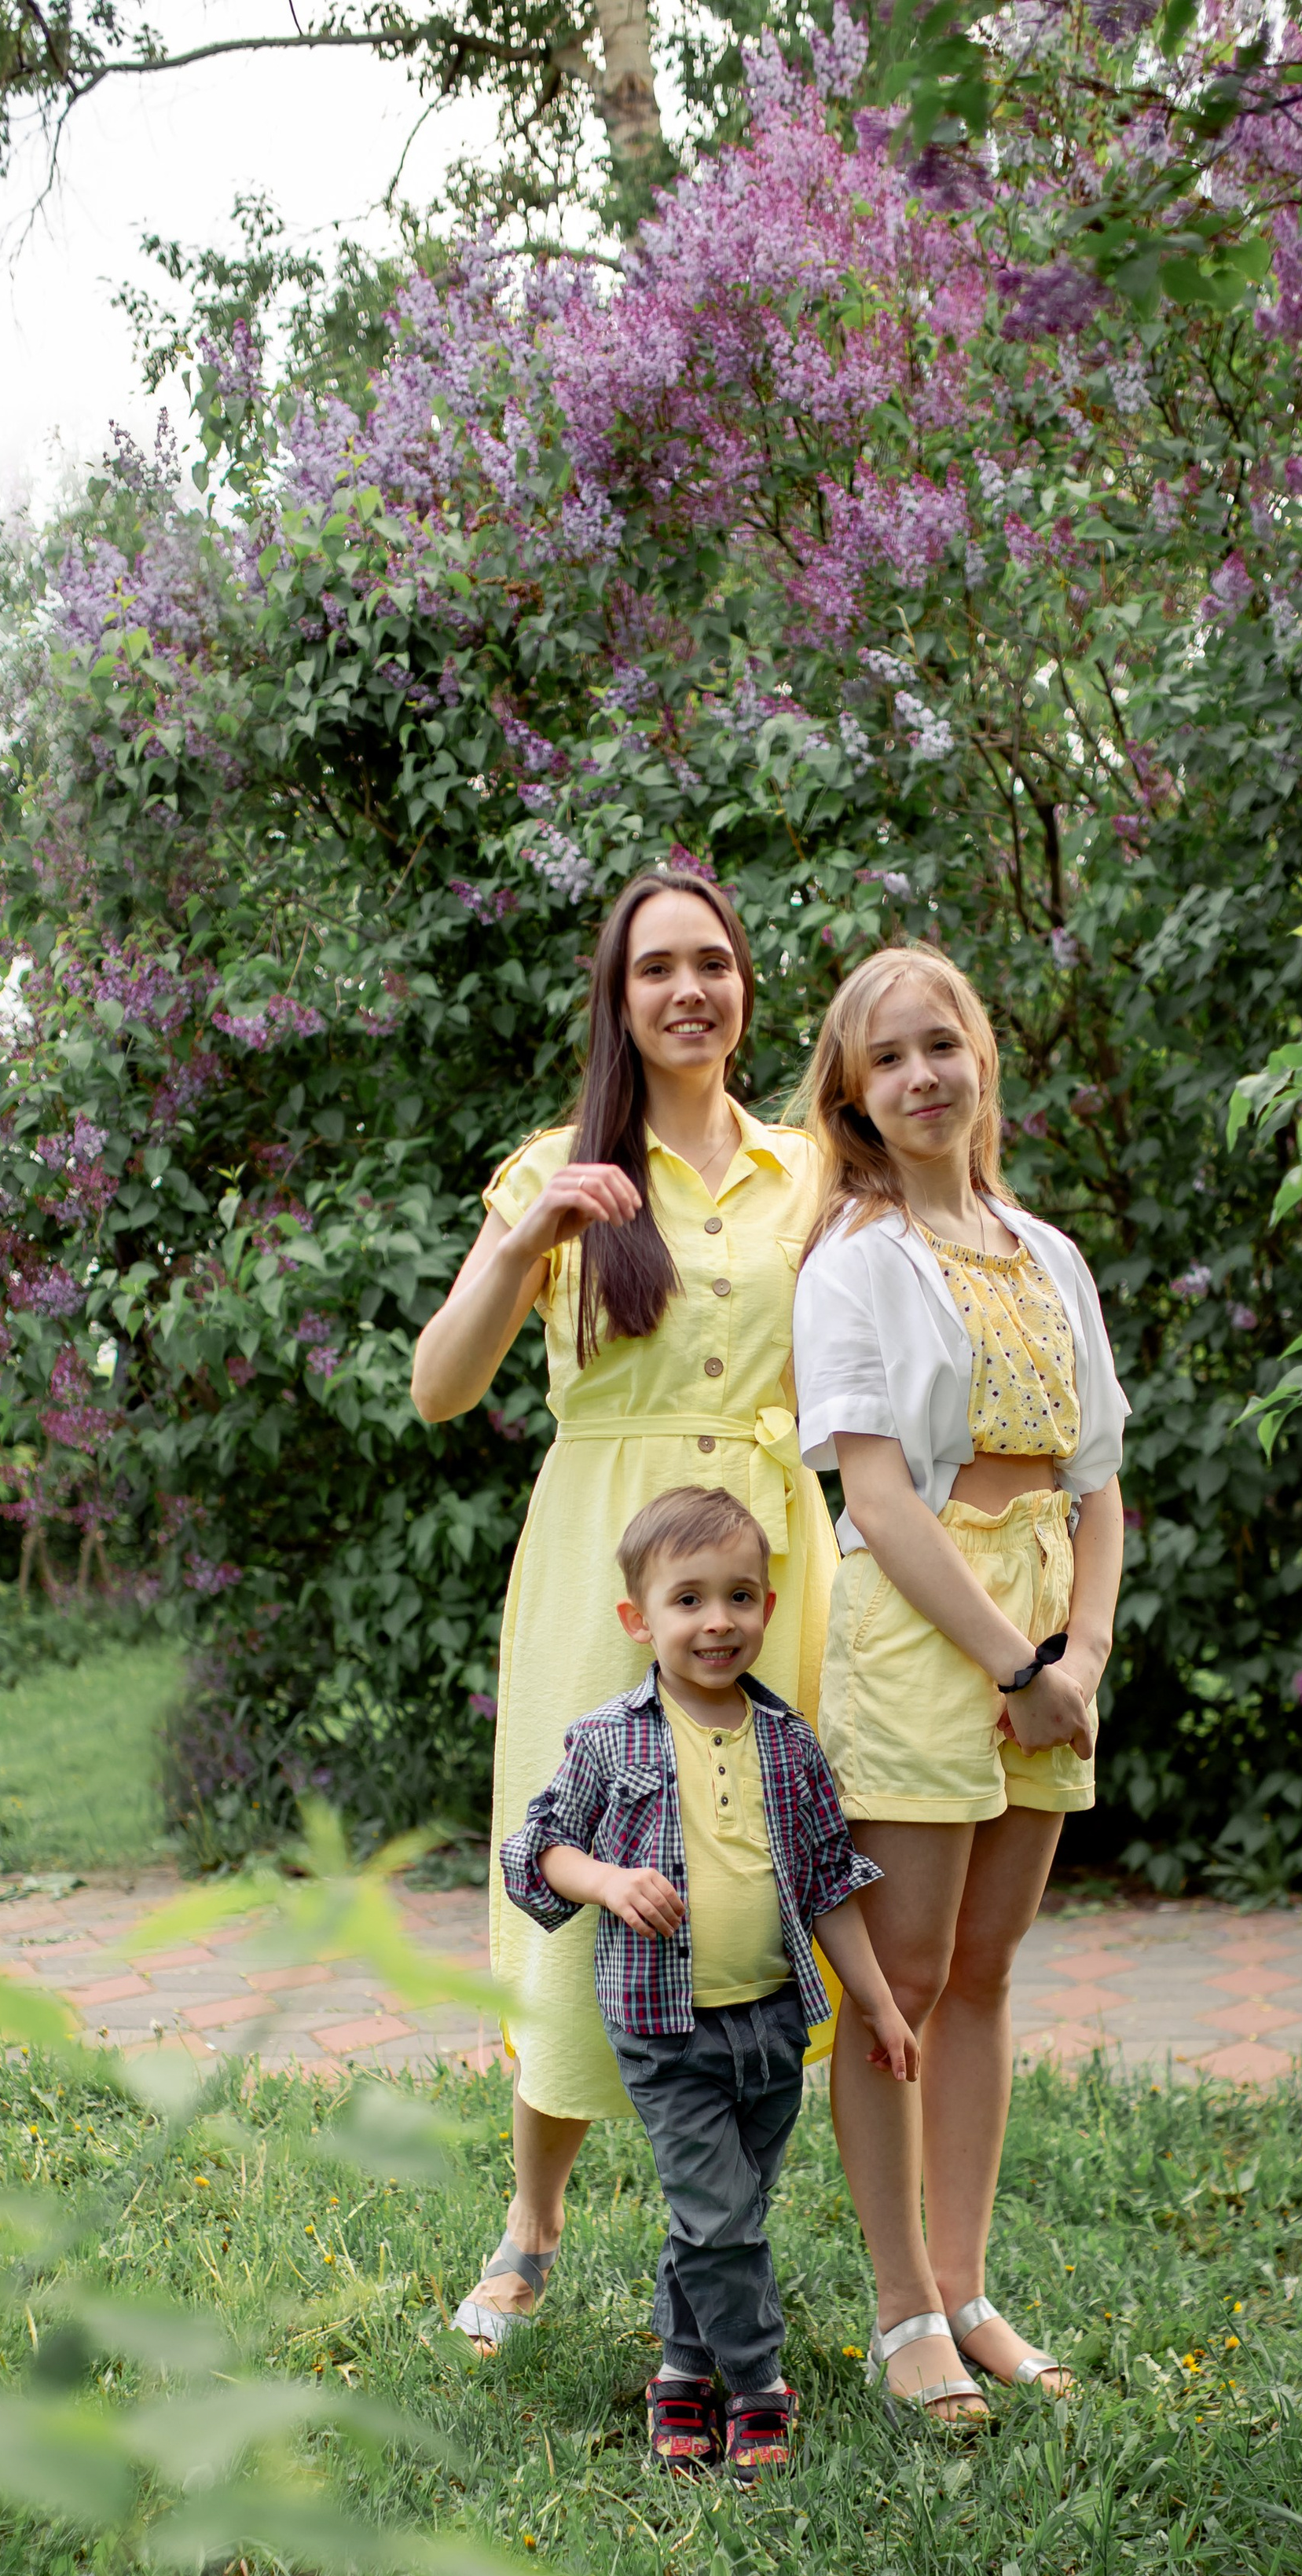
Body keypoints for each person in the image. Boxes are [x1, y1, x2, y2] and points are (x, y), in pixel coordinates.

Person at [410, 870, 836, 2352]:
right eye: (657, 967)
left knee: (748, 1869)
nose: (688, 989)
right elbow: (441, 1387)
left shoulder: (808, 1171)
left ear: (746, 988)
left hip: (771, 1557)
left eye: (713, 962)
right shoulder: (556, 1169)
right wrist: (522, 1238)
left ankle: (721, 2228)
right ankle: (532, 2218)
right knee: (593, 1843)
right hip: (607, 1552)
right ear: (619, 995)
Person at [790, 945, 1129, 2423]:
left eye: (943, 1044)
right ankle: (902, 2311)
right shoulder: (853, 1262)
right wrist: (1012, 1662)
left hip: (1051, 1624)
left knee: (987, 1970)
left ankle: (970, 2289)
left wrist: (1080, 1657)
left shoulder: (1049, 1254)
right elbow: (877, 1495)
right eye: (889, 1058)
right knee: (904, 1984)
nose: (922, 1075)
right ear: (854, 1096)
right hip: (928, 1629)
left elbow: (1100, 1482)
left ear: (981, 1059)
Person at [500, 1486, 918, 2474]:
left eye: (739, 1596)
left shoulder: (789, 1743)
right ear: (638, 1619)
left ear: (769, 1606)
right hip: (665, 2027)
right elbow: (537, 1850)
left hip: (771, 2022)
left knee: (721, 2215)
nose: (717, 1620)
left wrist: (880, 2002)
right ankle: (758, 2383)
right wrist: (608, 1881)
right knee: (721, 2214)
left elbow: (827, 1884)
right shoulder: (609, 1737)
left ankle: (682, 2371)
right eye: (688, 1599)